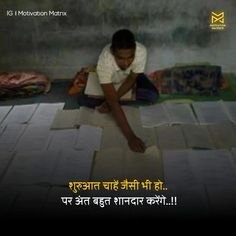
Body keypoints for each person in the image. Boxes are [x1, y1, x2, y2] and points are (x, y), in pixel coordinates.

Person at [78, 29, 159, 153]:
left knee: (152, 96)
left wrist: (112, 101)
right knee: (83, 101)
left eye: (130, 57)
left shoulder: (141, 51)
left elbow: (132, 78)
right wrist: (130, 137)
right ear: (112, 53)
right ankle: (118, 99)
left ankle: (116, 100)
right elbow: (113, 103)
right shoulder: (104, 61)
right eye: (120, 58)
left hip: (130, 78)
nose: (126, 63)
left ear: (135, 51)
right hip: (111, 81)